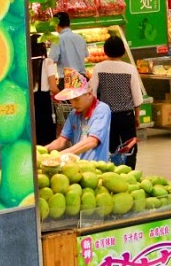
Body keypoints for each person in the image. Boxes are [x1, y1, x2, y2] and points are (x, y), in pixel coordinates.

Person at [88, 35, 145, 168]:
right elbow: (137, 96)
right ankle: (130, 172)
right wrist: (137, 116)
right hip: (126, 115)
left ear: (105, 51)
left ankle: (113, 171)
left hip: (106, 115)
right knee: (129, 145)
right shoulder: (129, 69)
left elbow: (92, 91)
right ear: (123, 51)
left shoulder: (99, 68)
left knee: (110, 146)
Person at [46, 82, 112, 162]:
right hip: (77, 167)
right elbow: (61, 141)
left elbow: (92, 141)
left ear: (89, 93)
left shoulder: (101, 109)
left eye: (76, 100)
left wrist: (61, 155)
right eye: (70, 101)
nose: (73, 105)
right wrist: (43, 150)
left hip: (96, 167)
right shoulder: (73, 114)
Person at [31, 34, 57, 146]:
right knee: (47, 135)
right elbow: (53, 87)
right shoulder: (47, 62)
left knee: (35, 133)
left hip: (32, 103)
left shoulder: (27, 63)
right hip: (44, 102)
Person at [48, 13, 87, 85]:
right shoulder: (80, 38)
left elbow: (52, 60)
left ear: (56, 24)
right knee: (81, 96)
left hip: (67, 79)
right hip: (82, 77)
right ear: (69, 24)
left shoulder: (57, 39)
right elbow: (86, 55)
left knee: (69, 96)